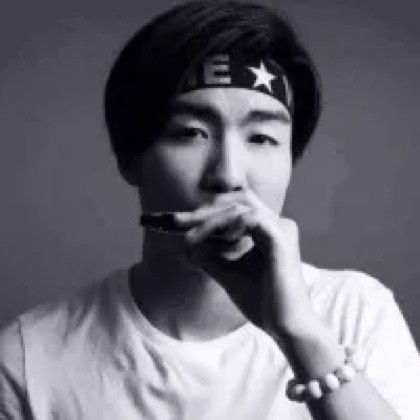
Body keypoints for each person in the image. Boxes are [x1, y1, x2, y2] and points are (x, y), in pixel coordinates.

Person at [1, 1, 419, 419]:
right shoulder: (29, 358)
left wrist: (303, 337)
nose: (229, 176)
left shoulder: (357, 311)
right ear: (130, 157)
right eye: (190, 133)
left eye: (262, 138)